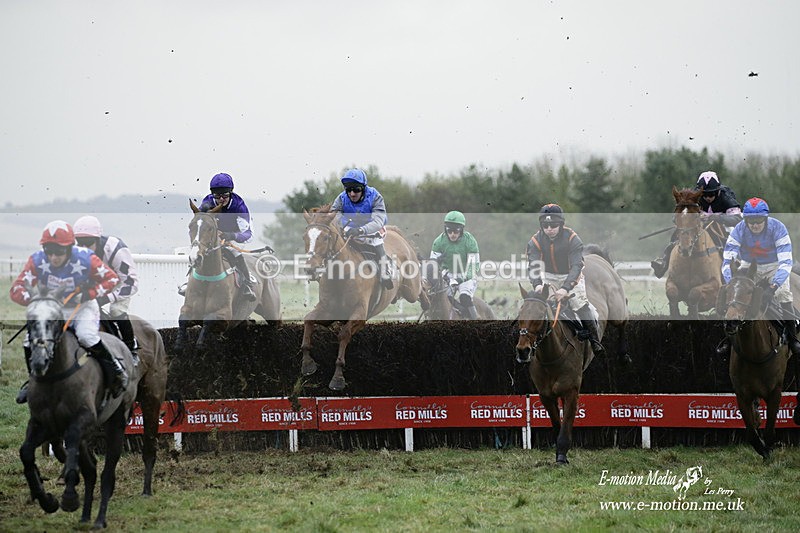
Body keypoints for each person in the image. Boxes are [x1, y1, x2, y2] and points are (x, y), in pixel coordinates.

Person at [10, 220, 126, 403]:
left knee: (86, 336)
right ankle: (32, 380)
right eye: (49, 250)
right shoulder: (36, 260)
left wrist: (88, 294)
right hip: (53, 310)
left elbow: (112, 280)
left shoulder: (86, 258)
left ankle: (116, 372)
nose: (54, 256)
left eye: (60, 251)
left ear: (70, 248)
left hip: (83, 308)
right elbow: (16, 290)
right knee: (28, 341)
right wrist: (36, 299)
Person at [719, 197, 800, 356]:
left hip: (774, 266)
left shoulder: (778, 228)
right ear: (746, 220)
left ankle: (792, 339)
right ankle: (728, 340)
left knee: (783, 294)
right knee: (735, 293)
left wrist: (774, 286)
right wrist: (731, 283)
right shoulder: (739, 229)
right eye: (751, 221)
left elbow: (785, 263)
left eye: (758, 221)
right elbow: (727, 260)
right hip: (749, 266)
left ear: (765, 219)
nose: (755, 225)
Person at [526, 203, 604, 355]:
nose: (549, 229)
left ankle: (595, 341)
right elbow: (533, 266)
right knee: (540, 305)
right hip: (548, 276)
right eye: (545, 225)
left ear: (561, 224)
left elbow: (576, 266)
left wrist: (565, 288)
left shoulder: (573, 238)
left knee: (579, 304)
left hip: (571, 275)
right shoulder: (534, 241)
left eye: (553, 225)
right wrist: (537, 286)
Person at [650, 170, 742, 278]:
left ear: (718, 191)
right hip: (699, 223)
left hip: (723, 223)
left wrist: (715, 217)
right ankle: (664, 262)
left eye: (711, 194)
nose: (708, 197)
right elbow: (678, 214)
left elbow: (737, 219)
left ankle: (736, 264)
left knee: (730, 239)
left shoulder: (727, 197)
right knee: (680, 232)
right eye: (705, 194)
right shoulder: (693, 196)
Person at [73, 215, 140, 359]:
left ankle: (130, 347)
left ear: (97, 239)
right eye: (80, 242)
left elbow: (131, 283)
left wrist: (107, 298)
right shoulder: (75, 251)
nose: (83, 247)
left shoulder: (116, 249)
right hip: (98, 284)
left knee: (116, 311)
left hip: (121, 284)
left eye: (88, 242)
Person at [330, 168, 394, 289]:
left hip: (372, 230)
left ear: (364, 188)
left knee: (376, 241)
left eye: (356, 189)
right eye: (348, 190)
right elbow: (333, 216)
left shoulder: (375, 197)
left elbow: (378, 221)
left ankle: (386, 272)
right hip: (349, 228)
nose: (352, 194)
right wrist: (343, 227)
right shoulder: (341, 198)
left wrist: (361, 230)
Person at [198, 172, 257, 300]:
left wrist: (229, 235)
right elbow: (198, 225)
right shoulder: (207, 203)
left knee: (236, 254)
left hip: (232, 239)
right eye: (217, 196)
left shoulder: (239, 206)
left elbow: (249, 235)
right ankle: (191, 283)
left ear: (230, 193)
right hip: (211, 240)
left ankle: (247, 284)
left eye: (225, 196)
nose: (221, 200)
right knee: (197, 253)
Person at [428, 211, 481, 319]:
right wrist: (436, 262)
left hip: (466, 274)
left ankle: (476, 323)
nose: (452, 234)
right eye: (449, 231)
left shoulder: (470, 241)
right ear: (445, 229)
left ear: (461, 230)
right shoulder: (438, 242)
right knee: (442, 297)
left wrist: (459, 279)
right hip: (447, 274)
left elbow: (473, 268)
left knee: (464, 297)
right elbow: (432, 266)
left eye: (456, 231)